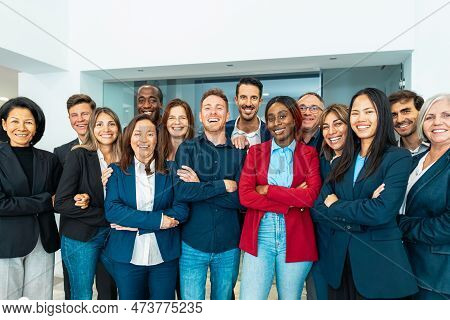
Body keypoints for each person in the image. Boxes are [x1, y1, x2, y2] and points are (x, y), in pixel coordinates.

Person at [312, 88, 418, 299]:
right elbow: (318, 210)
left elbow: (382, 213)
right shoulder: (341, 161)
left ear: (382, 115)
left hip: (379, 269)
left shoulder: (398, 158)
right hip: (340, 269)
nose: (361, 119)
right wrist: (365, 204)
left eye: (369, 112)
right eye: (355, 112)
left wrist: (337, 205)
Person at [238, 96, 320, 299]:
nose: (277, 123)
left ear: (294, 119)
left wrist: (267, 189)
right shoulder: (256, 153)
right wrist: (291, 200)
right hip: (260, 235)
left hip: (296, 235)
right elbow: (245, 196)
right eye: (272, 118)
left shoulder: (309, 154)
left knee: (289, 301)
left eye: (283, 116)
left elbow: (310, 197)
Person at [103, 114, 188, 300]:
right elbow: (113, 211)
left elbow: (181, 209)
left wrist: (135, 223)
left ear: (157, 139)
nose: (143, 140)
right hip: (127, 257)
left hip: (164, 257)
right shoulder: (116, 171)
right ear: (129, 139)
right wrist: (158, 221)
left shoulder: (172, 169)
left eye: (149, 134)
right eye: (137, 134)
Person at [175, 88, 246, 300]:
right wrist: (222, 185)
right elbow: (182, 191)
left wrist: (201, 185)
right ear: (200, 115)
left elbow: (242, 199)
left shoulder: (240, 151)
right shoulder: (187, 149)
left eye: (219, 108)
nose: (213, 112)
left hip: (228, 246)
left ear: (227, 115)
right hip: (192, 245)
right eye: (207, 108)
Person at [53, 94, 117, 300]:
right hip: (82, 235)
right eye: (74, 115)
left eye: (110, 124)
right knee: (81, 295)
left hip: (114, 237)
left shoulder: (125, 156)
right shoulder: (76, 153)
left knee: (109, 292)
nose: (105, 129)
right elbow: (61, 200)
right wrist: (107, 215)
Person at [0, 97, 62, 299]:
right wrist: (44, 201)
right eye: (15, 121)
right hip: (7, 242)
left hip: (43, 241)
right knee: (6, 304)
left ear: (36, 127)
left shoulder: (49, 159)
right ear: (4, 124)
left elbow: (60, 197)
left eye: (28, 122)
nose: (22, 127)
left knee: (40, 305)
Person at [398, 93, 450, 299]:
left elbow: (447, 226)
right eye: (430, 117)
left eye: (446, 115)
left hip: (437, 274)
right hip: (405, 264)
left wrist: (400, 224)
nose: (437, 122)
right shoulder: (413, 160)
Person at [308, 103, 350, 300]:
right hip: (324, 245)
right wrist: (345, 207)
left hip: (352, 250)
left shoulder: (362, 160)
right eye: (325, 126)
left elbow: (372, 211)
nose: (331, 132)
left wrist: (334, 205)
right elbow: (315, 208)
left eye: (338, 124)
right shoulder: (323, 160)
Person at [158, 98, 195, 299]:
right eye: (172, 117)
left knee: (186, 291)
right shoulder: (155, 154)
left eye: (182, 117)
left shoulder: (200, 152)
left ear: (189, 121)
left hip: (189, 231)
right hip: (161, 229)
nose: (177, 122)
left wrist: (197, 183)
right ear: (165, 122)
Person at [225, 77, 271, 149]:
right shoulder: (224, 130)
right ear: (236, 100)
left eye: (254, 98)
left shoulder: (270, 133)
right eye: (243, 97)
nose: (248, 103)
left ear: (260, 102)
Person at [389, 90, 429, 156]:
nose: (399, 120)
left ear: (421, 112)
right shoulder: (388, 154)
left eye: (406, 111)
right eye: (394, 115)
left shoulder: (439, 146)